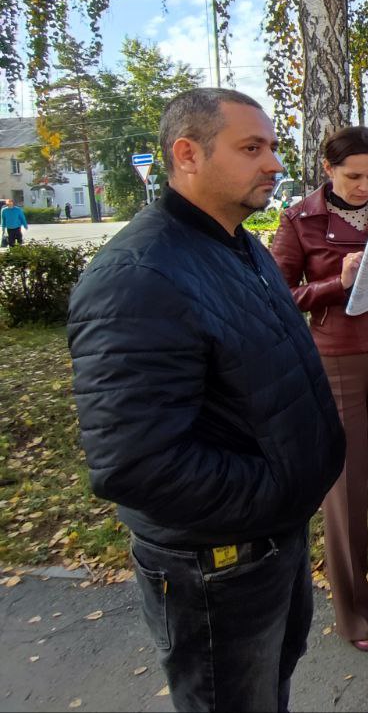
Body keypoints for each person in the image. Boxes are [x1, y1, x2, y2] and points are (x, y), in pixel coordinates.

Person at [66, 88, 345, 712]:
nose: (274, 163)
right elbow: (135, 463)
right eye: (252, 148)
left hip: (268, 540)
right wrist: (274, 492)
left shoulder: (238, 245)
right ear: (187, 154)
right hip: (218, 563)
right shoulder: (139, 276)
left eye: (272, 147)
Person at [271, 126, 368, 653]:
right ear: (327, 169)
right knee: (344, 491)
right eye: (355, 175)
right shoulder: (298, 219)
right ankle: (356, 611)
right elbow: (276, 298)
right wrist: (336, 282)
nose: (366, 186)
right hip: (334, 361)